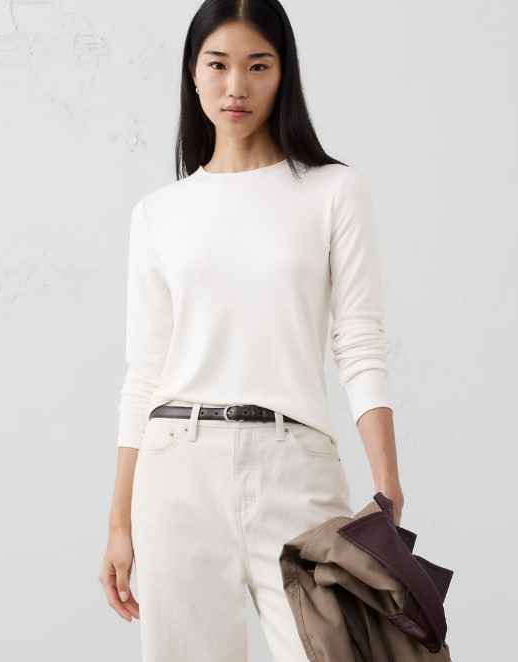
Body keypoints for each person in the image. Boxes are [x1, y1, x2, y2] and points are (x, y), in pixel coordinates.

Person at [99, 1, 405, 660]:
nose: (235, 86)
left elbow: (357, 342)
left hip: (296, 468)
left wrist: (387, 485)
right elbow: (144, 373)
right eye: (218, 65)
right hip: (176, 472)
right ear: (193, 73)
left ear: (282, 73)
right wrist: (119, 521)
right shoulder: (158, 214)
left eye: (257, 66)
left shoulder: (333, 191)